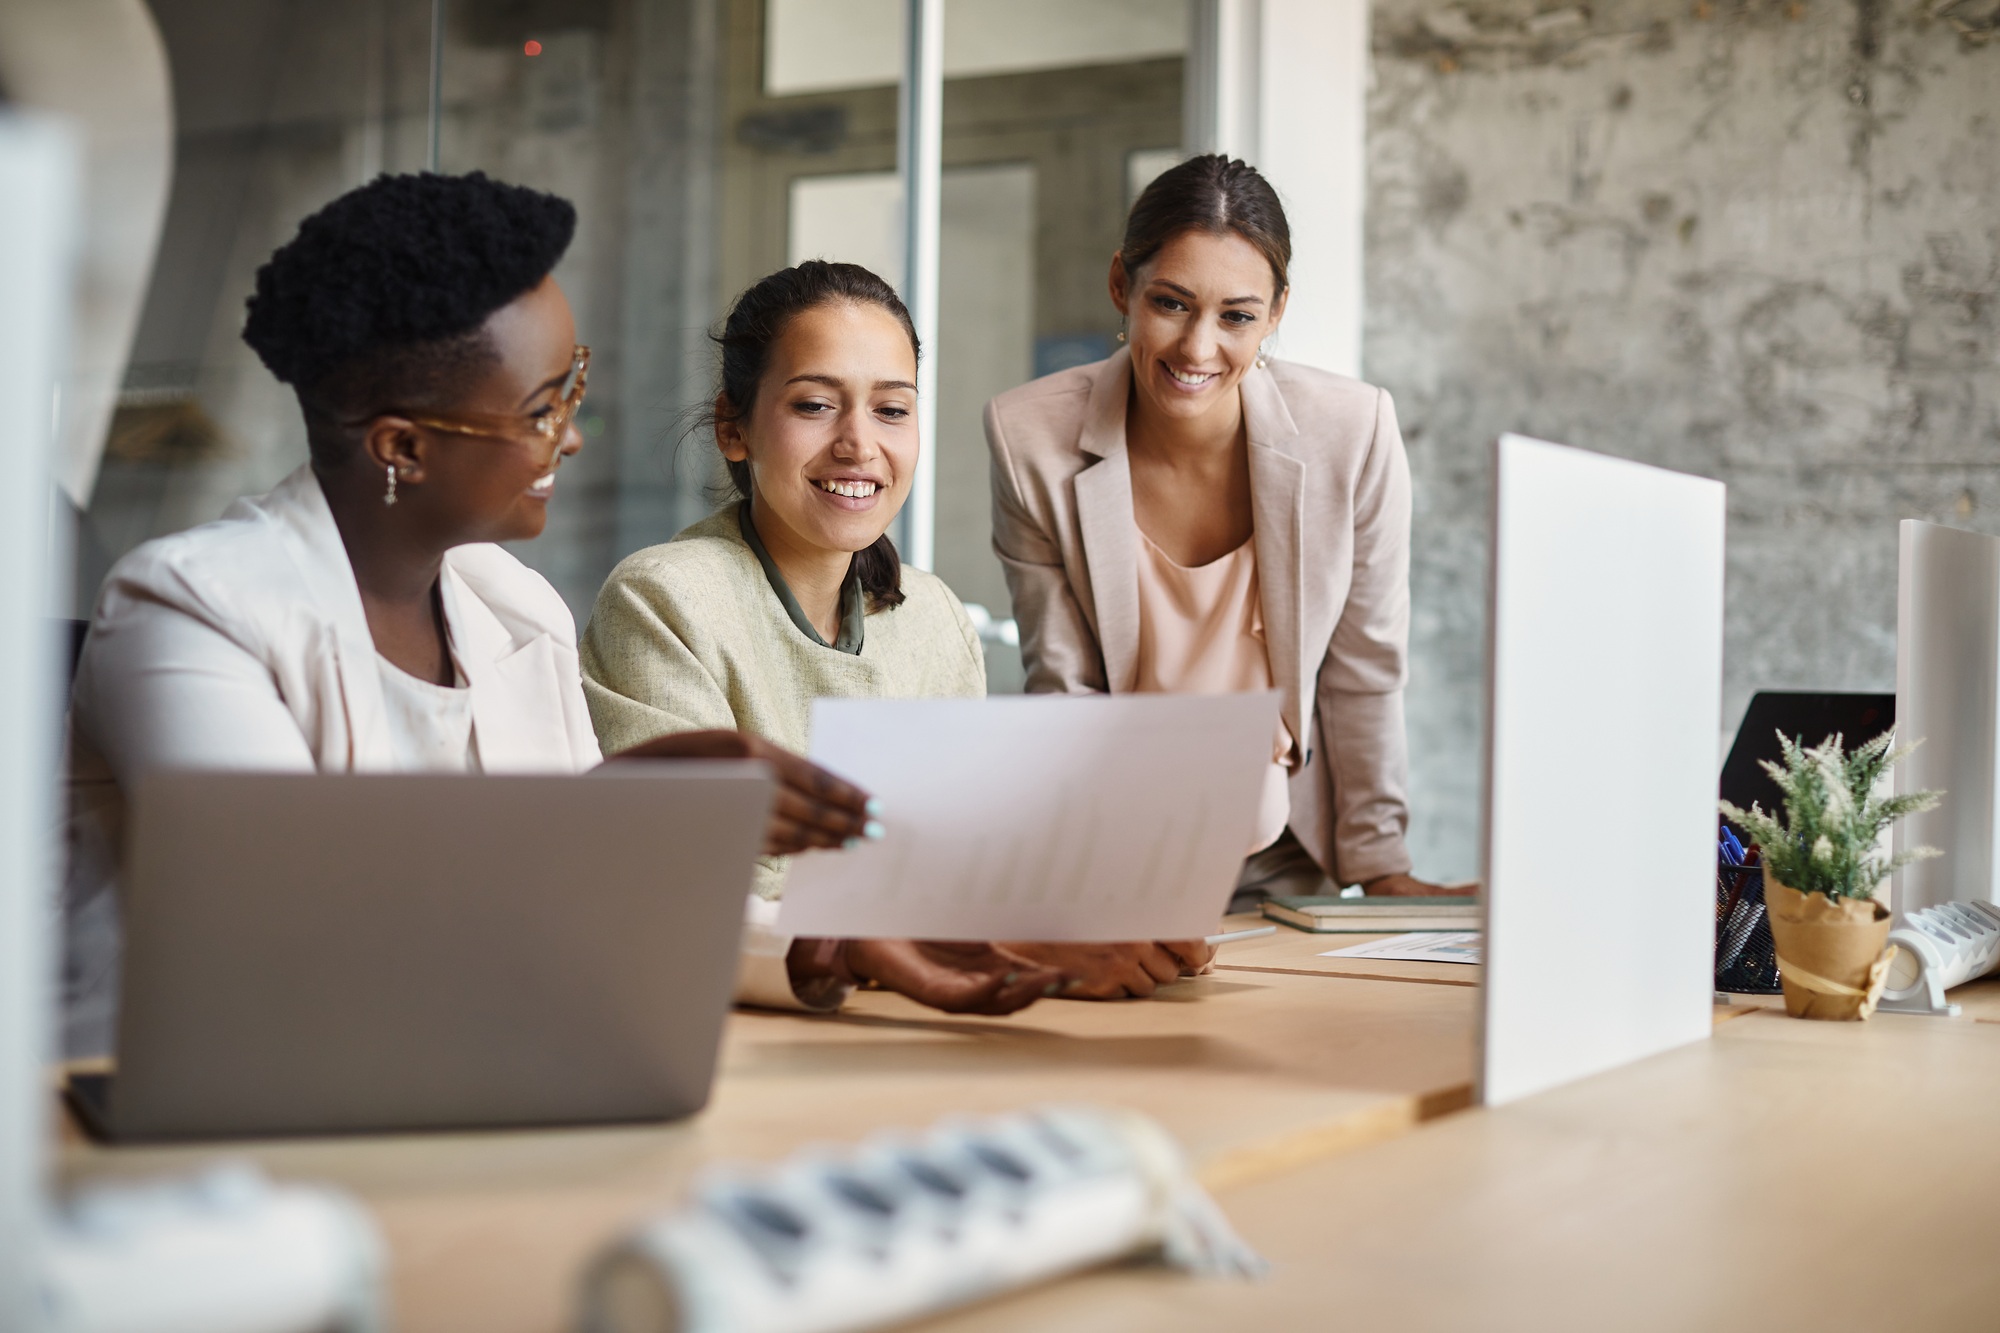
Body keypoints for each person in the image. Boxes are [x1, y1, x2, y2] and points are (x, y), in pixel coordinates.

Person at [64, 174, 1058, 1050]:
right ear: (402, 447)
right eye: (544, 407)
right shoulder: (189, 611)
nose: (573, 439)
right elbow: (303, 923)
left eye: (572, 388)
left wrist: (826, 948)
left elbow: (593, 921)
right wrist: (602, 806)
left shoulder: (513, 612)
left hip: (478, 1075)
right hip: (215, 1130)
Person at [581, 261, 1212, 999]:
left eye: (891, 410)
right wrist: (978, 930)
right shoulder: (664, 599)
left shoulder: (933, 617)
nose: (858, 443)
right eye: (815, 406)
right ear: (734, 427)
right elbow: (688, 891)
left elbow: (962, 869)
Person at [984, 154, 1462, 908]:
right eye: (1171, 304)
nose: (1197, 349)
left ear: (1275, 314)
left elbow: (1364, 665)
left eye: (1237, 315)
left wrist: (1380, 864)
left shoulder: (1352, 431)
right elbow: (1063, 684)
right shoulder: (1030, 435)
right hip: (1119, 846)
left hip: (1284, 850)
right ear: (1122, 286)